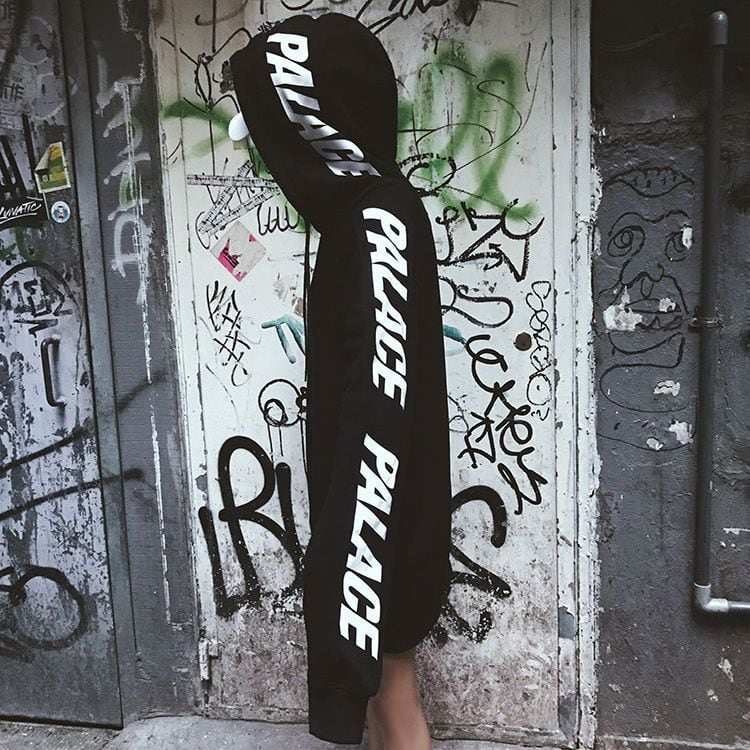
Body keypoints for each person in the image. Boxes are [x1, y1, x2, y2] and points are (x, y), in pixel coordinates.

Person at [229, 13, 452, 747]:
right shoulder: (368, 215)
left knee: (395, 702)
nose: (265, 155)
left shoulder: (377, 221)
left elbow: (380, 404)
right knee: (390, 705)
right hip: (377, 528)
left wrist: (349, 561)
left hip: (379, 531)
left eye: (271, 134)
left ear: (311, 130)